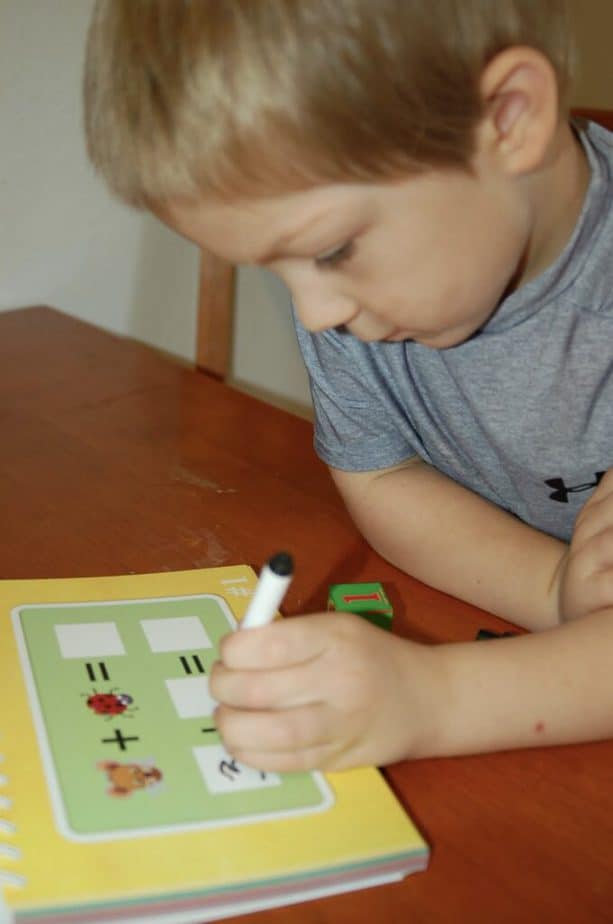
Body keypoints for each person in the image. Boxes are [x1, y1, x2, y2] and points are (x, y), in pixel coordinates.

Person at [83, 0, 613, 771]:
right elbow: (381, 474)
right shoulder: (356, 307)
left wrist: (434, 702)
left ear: (507, 119)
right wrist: (553, 583)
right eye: (274, 267)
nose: (315, 313)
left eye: (330, 249)